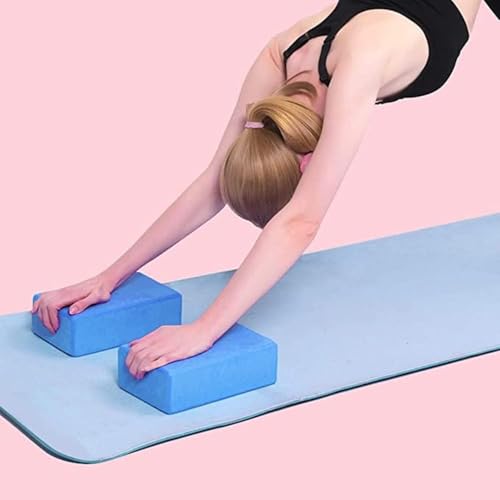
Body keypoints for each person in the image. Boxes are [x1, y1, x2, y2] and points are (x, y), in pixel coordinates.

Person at [32, 0, 490, 379]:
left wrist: (204, 329)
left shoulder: (357, 66)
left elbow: (301, 221)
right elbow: (214, 182)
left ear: (307, 164)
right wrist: (107, 278)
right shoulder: (282, 53)